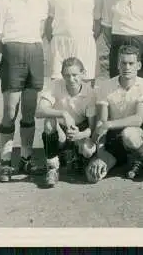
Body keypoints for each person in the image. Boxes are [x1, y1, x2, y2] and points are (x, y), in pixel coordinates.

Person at [0, 0, 49, 183]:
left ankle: (26, 158)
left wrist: (28, 48)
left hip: (34, 52)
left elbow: (41, 29)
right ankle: (5, 163)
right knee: (9, 111)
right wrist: (12, 53)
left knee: (30, 111)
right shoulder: (4, 0)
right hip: (13, 54)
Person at [85, 45, 143, 183]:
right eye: (123, 63)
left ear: (139, 65)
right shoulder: (105, 86)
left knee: (129, 134)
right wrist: (101, 154)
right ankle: (121, 160)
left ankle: (141, 157)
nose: (127, 67)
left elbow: (138, 120)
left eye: (131, 63)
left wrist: (109, 124)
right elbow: (101, 122)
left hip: (133, 134)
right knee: (92, 176)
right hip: (113, 138)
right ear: (117, 65)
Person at [35, 57, 97, 187]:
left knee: (87, 150)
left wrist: (80, 135)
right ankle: (52, 167)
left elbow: (92, 127)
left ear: (83, 74)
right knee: (48, 121)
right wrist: (63, 113)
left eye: (75, 75)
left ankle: (76, 156)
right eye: (67, 75)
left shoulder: (90, 92)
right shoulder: (55, 85)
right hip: (61, 129)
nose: (71, 79)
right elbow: (39, 111)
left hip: (79, 129)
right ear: (62, 75)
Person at [46, 0, 103, 84]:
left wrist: (85, 39)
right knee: (59, 86)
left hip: (85, 43)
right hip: (60, 45)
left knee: (86, 87)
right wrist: (56, 41)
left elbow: (98, 23)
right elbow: (48, 24)